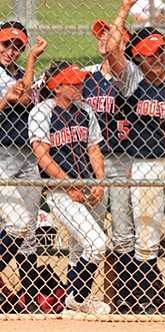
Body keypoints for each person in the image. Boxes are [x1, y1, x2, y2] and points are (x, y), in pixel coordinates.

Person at [107, 0, 165, 314]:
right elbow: (111, 52)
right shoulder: (132, 79)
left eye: (161, 51)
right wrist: (122, 11)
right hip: (143, 164)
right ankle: (148, 299)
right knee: (146, 236)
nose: (158, 57)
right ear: (139, 56)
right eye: (150, 52)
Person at [29, 61, 110, 314]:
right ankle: (77, 298)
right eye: (73, 82)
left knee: (79, 249)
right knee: (97, 244)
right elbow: (42, 156)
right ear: (56, 86)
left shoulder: (85, 110)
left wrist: (99, 181)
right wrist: (68, 185)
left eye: (80, 81)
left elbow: (93, 148)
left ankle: (75, 303)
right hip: (59, 191)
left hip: (87, 187)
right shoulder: (42, 112)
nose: (79, 85)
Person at [83, 19, 135, 313]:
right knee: (92, 229)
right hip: (91, 163)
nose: (104, 40)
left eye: (111, 36)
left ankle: (123, 296)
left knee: (124, 231)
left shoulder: (128, 76)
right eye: (100, 36)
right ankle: (83, 295)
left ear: (123, 43)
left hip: (121, 160)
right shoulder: (84, 77)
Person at [0, 21, 47, 313]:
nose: (11, 50)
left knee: (27, 231)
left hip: (27, 157)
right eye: (6, 44)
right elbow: (22, 95)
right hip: (2, 156)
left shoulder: (19, 72)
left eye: (18, 46)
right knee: (16, 223)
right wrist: (32, 60)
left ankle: (28, 295)